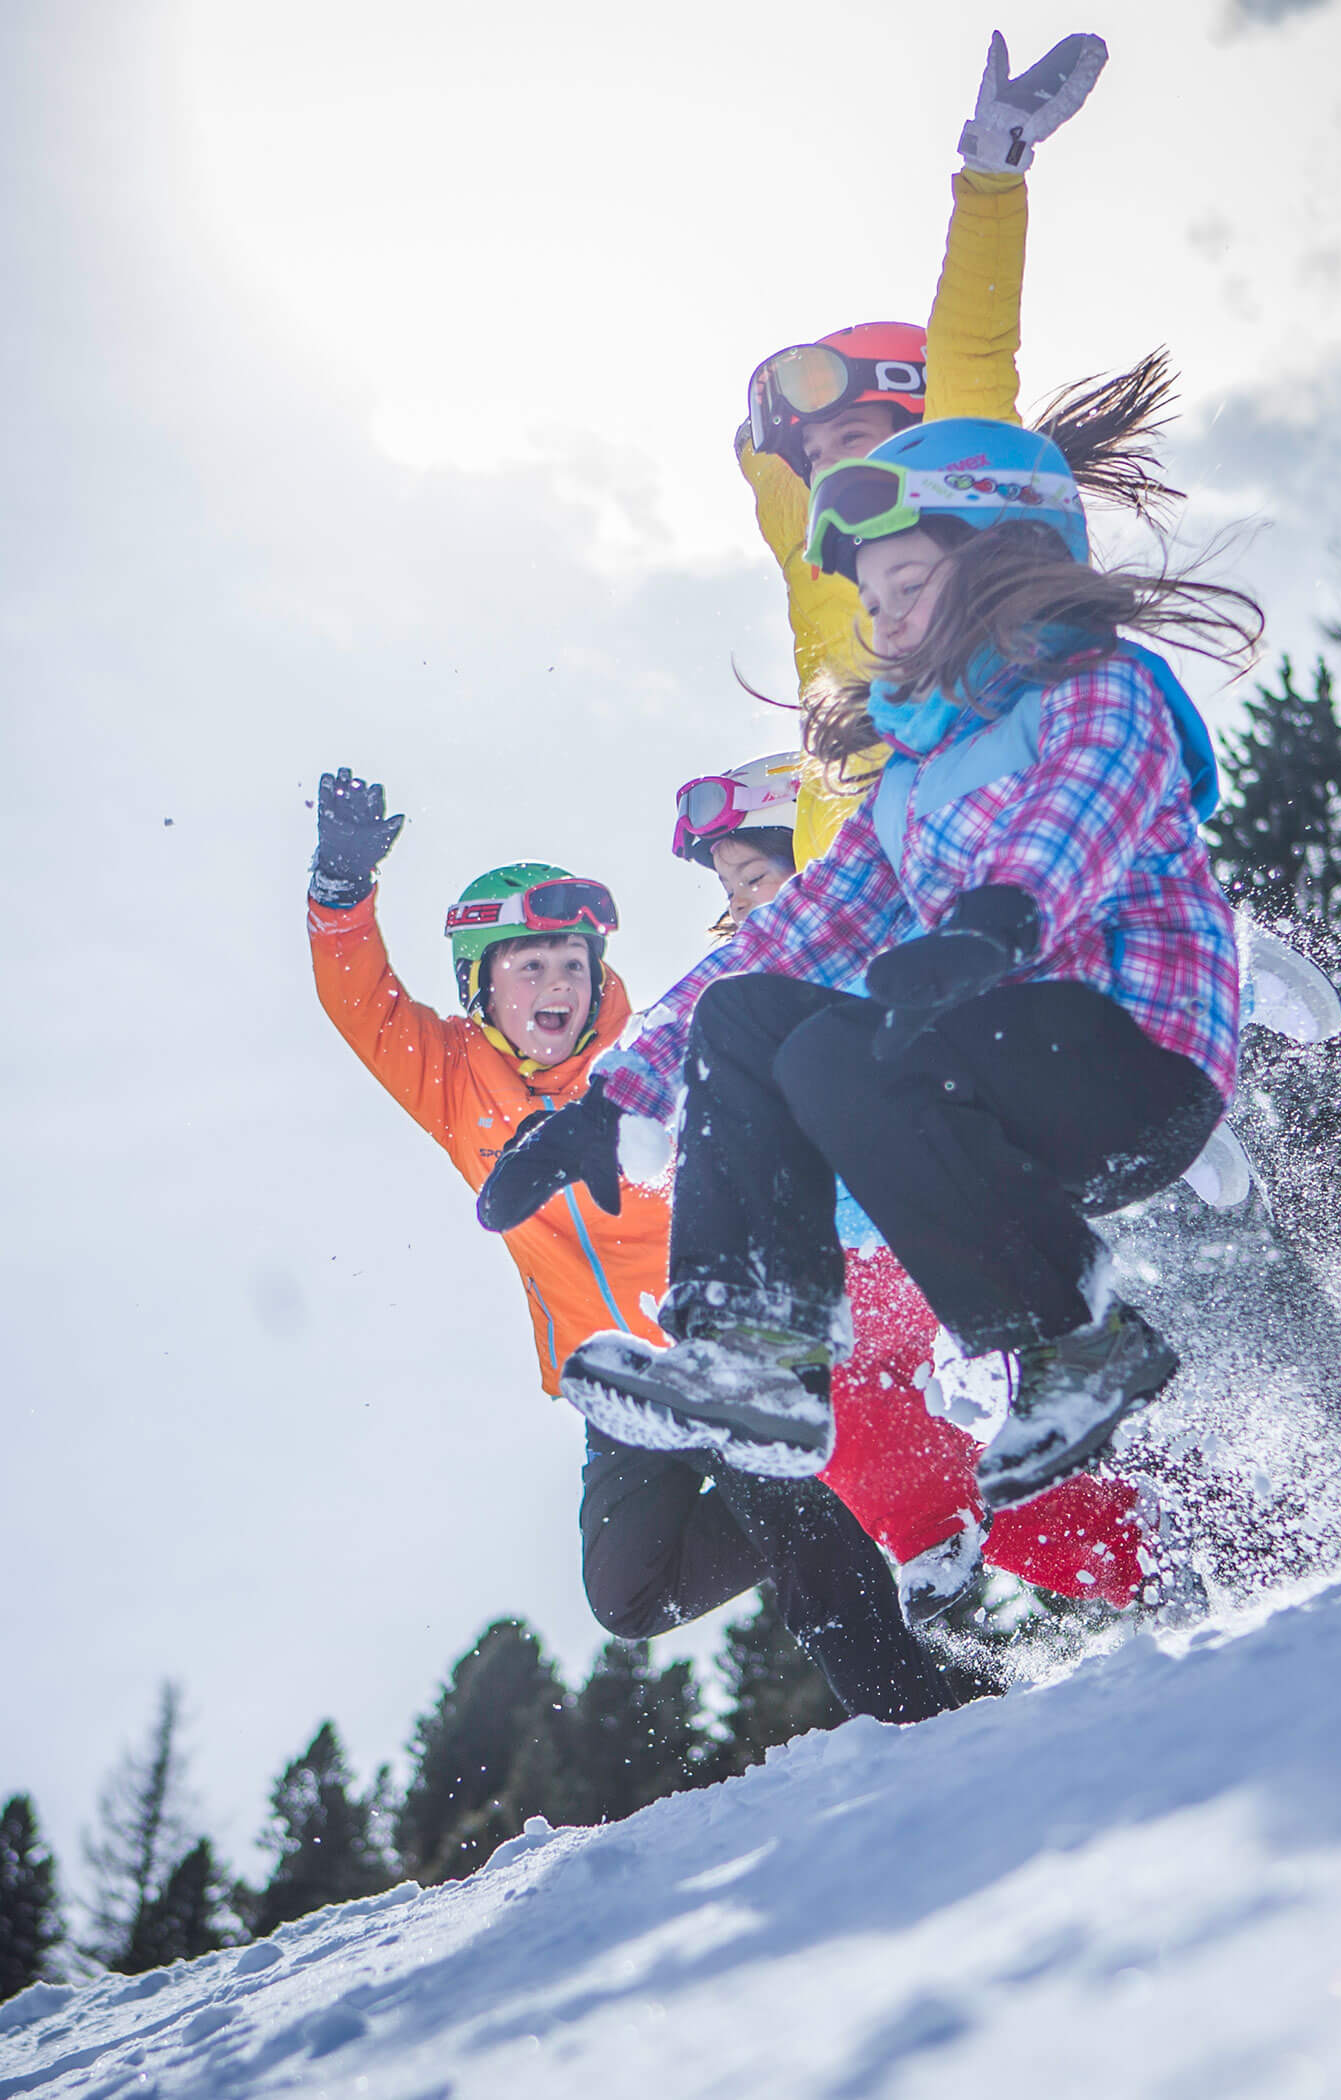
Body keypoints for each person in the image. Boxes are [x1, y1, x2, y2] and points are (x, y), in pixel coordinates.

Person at [478, 413, 1262, 1513]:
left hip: (1132, 1059)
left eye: (906, 585)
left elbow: (1078, 810)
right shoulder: (906, 781)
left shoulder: (1098, 689)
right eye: (874, 601)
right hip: (990, 1083)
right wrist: (615, 1095)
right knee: (757, 1015)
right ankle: (757, 1353)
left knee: (847, 1050)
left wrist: (993, 922)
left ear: (1003, 558)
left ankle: (1073, 1341)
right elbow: (788, 932)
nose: (884, 622)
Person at [307, 769, 954, 1723]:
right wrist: (338, 894)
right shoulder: (452, 1083)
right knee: (629, 1597)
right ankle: (837, 1497)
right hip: (614, 1389)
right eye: (528, 965)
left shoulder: (654, 1050)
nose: (556, 984)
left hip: (720, 1353)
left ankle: (920, 1716)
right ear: (479, 982)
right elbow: (362, 1006)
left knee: (797, 1533)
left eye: (572, 962)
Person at [673, 751, 1149, 1617]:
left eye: (754, 875)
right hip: (868, 1252)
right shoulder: (752, 986)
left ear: (812, 851)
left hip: (938, 1230)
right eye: (730, 890)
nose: (741, 903)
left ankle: (1170, 1532)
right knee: (979, 1477)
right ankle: (1129, 1557)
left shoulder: (886, 940)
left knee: (870, 1372)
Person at [737, 28, 1110, 862]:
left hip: (982, 856)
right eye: (817, 452)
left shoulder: (967, 518)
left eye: (853, 438)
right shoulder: (818, 556)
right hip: (841, 885)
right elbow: (775, 483)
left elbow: (971, 355)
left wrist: (991, 175)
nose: (829, 465)